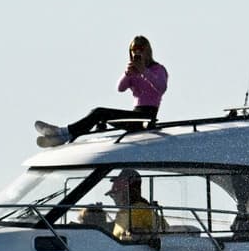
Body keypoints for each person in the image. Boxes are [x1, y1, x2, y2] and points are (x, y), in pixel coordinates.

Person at [35, 35, 168, 147]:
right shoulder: (135, 71)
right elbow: (120, 88)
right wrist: (128, 73)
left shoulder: (158, 69)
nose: (137, 52)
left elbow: (161, 87)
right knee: (99, 114)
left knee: (99, 112)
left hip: (146, 117)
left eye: (140, 49)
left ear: (147, 50)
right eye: (134, 49)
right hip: (135, 114)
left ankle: (64, 132)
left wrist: (144, 71)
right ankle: (65, 134)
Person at [105, 168, 163, 240]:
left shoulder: (135, 211)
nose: (114, 199)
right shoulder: (140, 208)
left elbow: (129, 237)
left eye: (115, 194)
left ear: (126, 192)